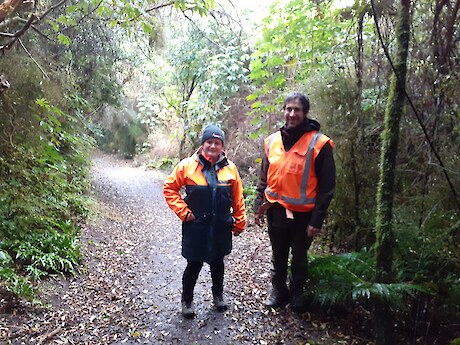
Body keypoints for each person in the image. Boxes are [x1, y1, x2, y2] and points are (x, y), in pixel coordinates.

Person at [254, 92, 335, 312]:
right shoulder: (272, 141)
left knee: (299, 258)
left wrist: (316, 220)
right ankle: (279, 291)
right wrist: (258, 205)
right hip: (277, 212)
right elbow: (264, 177)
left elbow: (327, 188)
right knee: (278, 256)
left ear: (305, 113)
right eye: (288, 109)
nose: (291, 114)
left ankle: (298, 293)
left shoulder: (320, 144)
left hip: (303, 216)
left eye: (296, 110)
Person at [163, 124, 246, 319]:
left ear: (222, 146)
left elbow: (238, 198)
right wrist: (184, 212)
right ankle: (187, 300)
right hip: (196, 226)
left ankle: (218, 296)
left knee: (218, 262)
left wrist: (239, 222)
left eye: (217, 143)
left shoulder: (230, 169)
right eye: (209, 142)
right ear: (202, 144)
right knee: (194, 263)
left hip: (221, 226)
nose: (212, 146)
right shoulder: (187, 166)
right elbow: (169, 188)